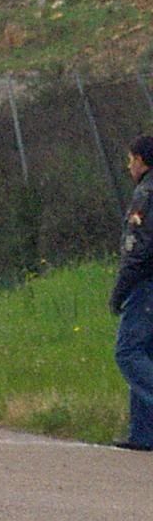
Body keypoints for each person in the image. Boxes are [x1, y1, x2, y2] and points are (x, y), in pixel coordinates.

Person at [111, 135, 153, 451]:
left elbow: (138, 249)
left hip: (147, 284)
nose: (129, 166)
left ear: (141, 160)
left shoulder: (146, 193)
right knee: (146, 352)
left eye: (130, 159)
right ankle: (143, 433)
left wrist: (120, 290)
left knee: (128, 352)